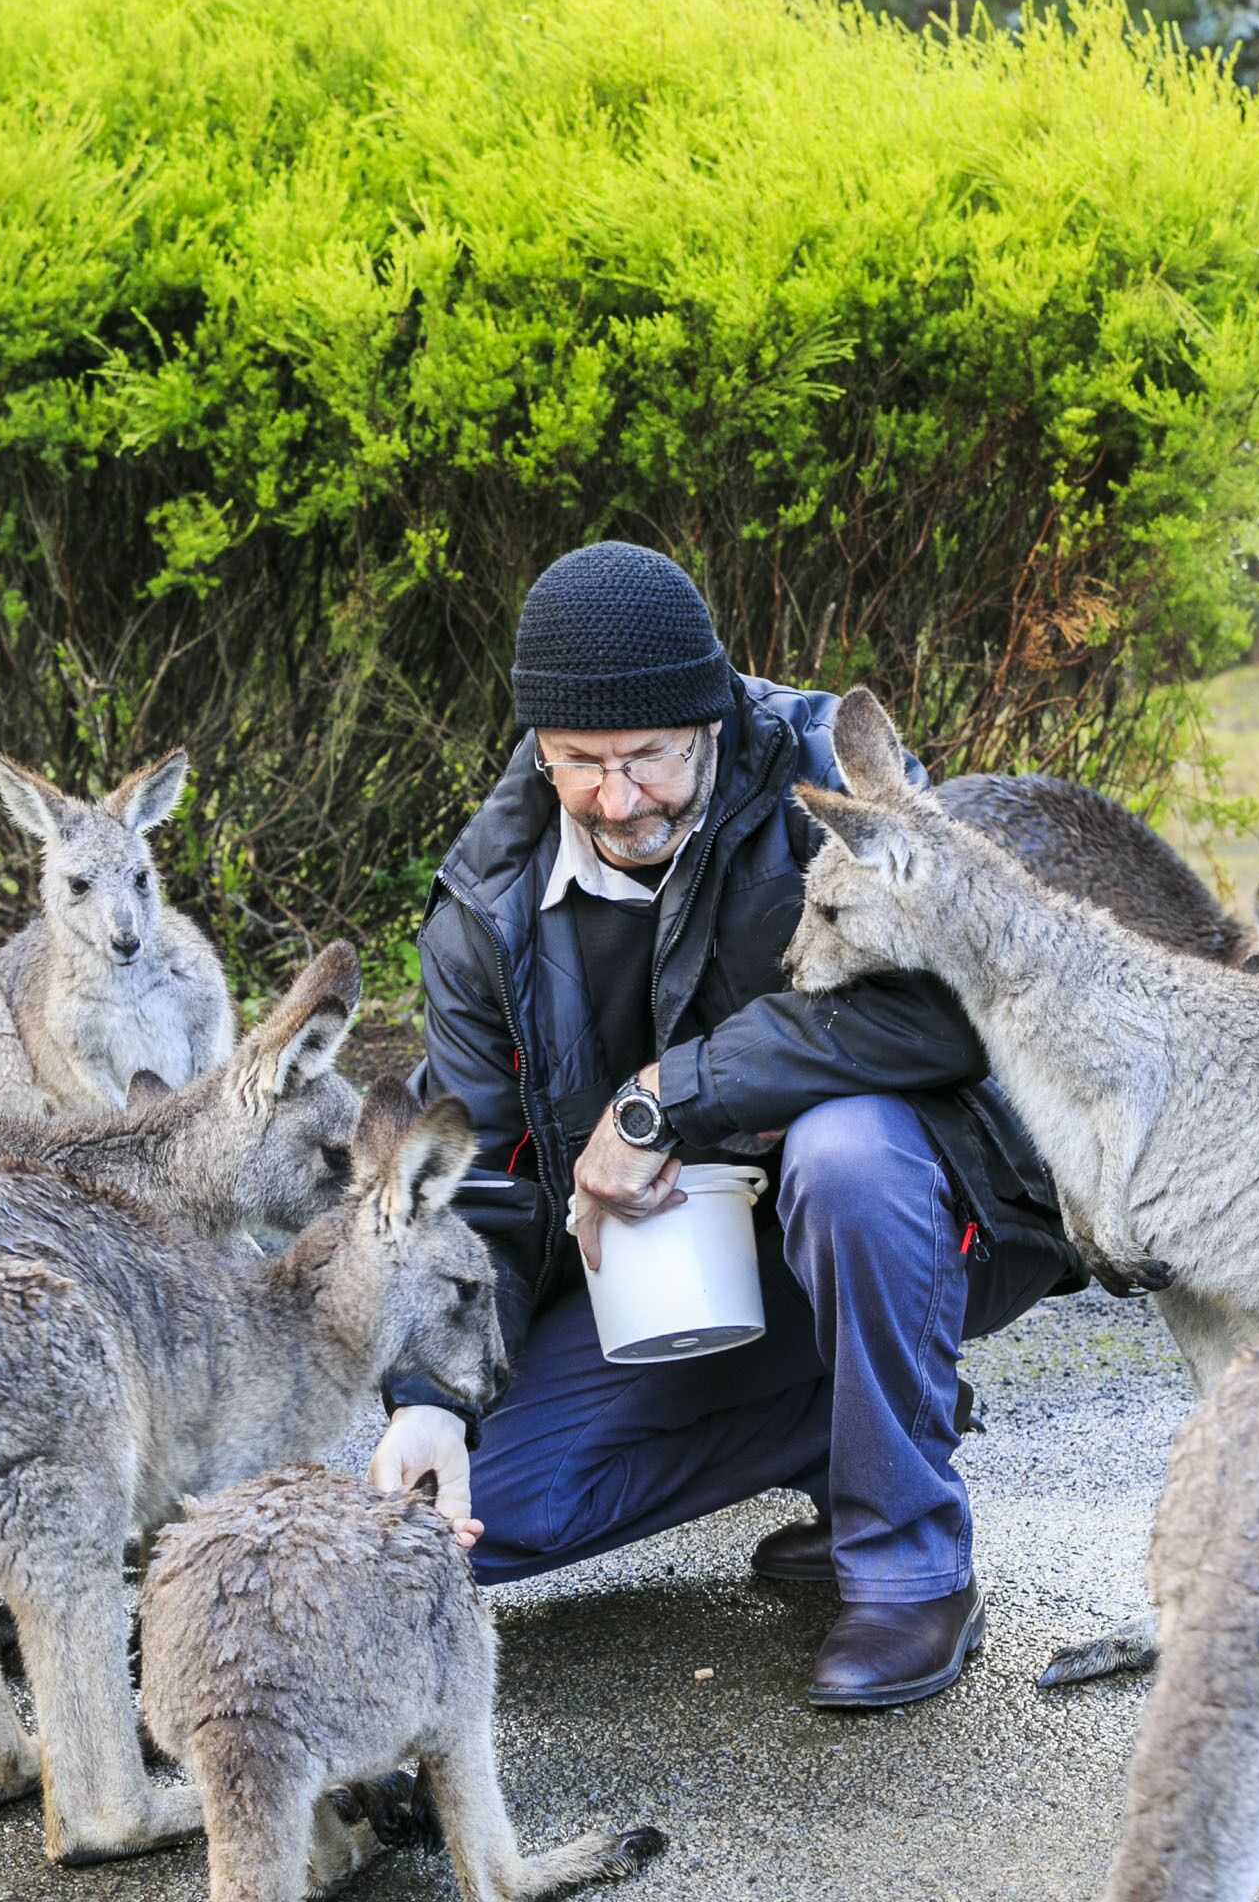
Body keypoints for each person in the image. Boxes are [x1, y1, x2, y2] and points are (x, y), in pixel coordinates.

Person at [368, 540, 1084, 1707]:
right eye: (580, 763)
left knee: (846, 1151)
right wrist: (431, 1398)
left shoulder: (826, 772)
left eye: (647, 756)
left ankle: (908, 1566)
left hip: (919, 1213)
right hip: (677, 1270)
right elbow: (485, 1188)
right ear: (539, 746)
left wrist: (672, 1094)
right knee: (489, 1509)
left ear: (710, 718)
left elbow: (957, 1008)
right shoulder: (483, 905)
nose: (616, 799)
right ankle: (839, 1426)